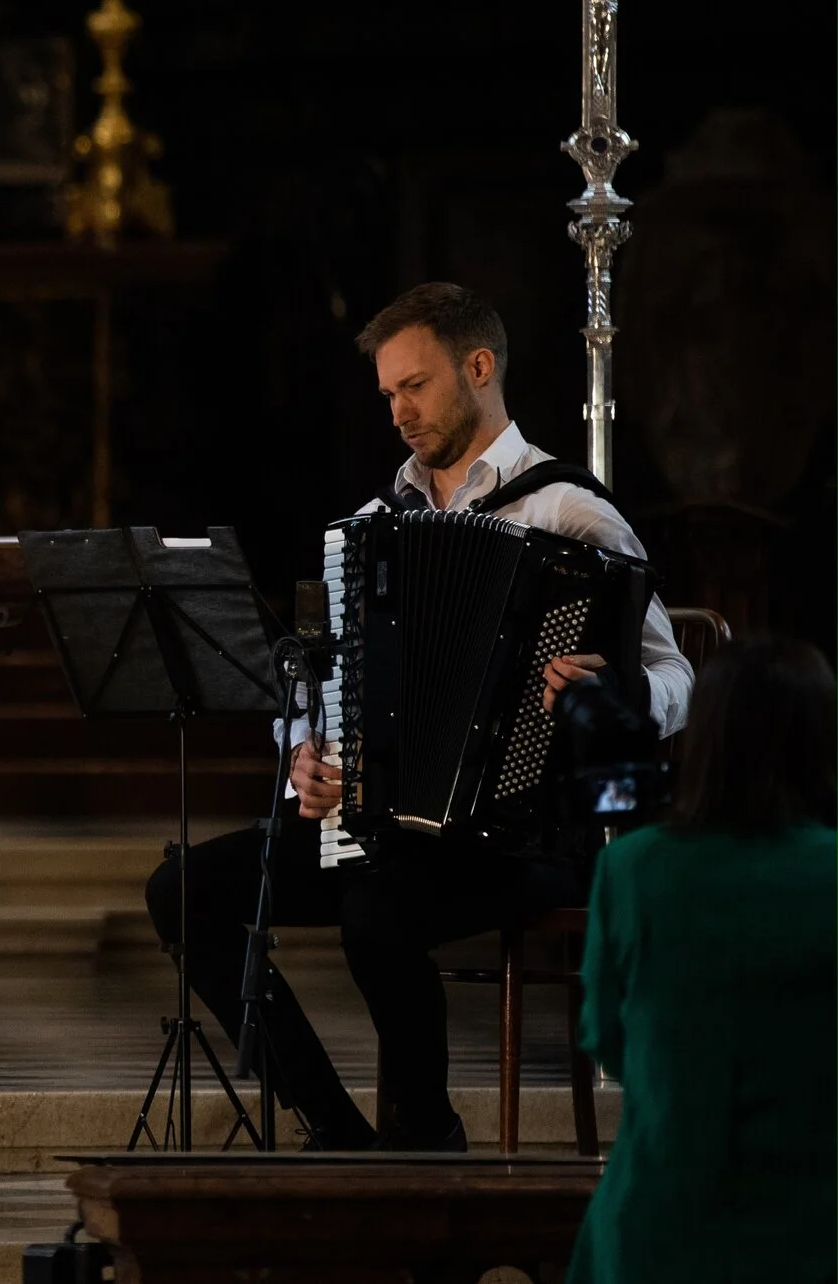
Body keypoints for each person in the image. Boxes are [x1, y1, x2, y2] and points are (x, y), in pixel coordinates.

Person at [144, 283, 695, 1150]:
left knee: (377, 911)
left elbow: (676, 674)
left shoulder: (570, 511)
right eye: (388, 393)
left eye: (415, 386)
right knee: (183, 890)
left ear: (478, 368)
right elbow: (308, 686)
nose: (398, 411)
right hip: (387, 827)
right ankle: (336, 1128)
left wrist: (616, 693)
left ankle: (425, 1140)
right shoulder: (371, 527)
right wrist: (303, 752)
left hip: (533, 834)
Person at [570, 636, 835, 1284]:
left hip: (657, 1229)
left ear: (707, 737)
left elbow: (605, 1038)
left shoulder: (630, 867)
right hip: (813, 1228)